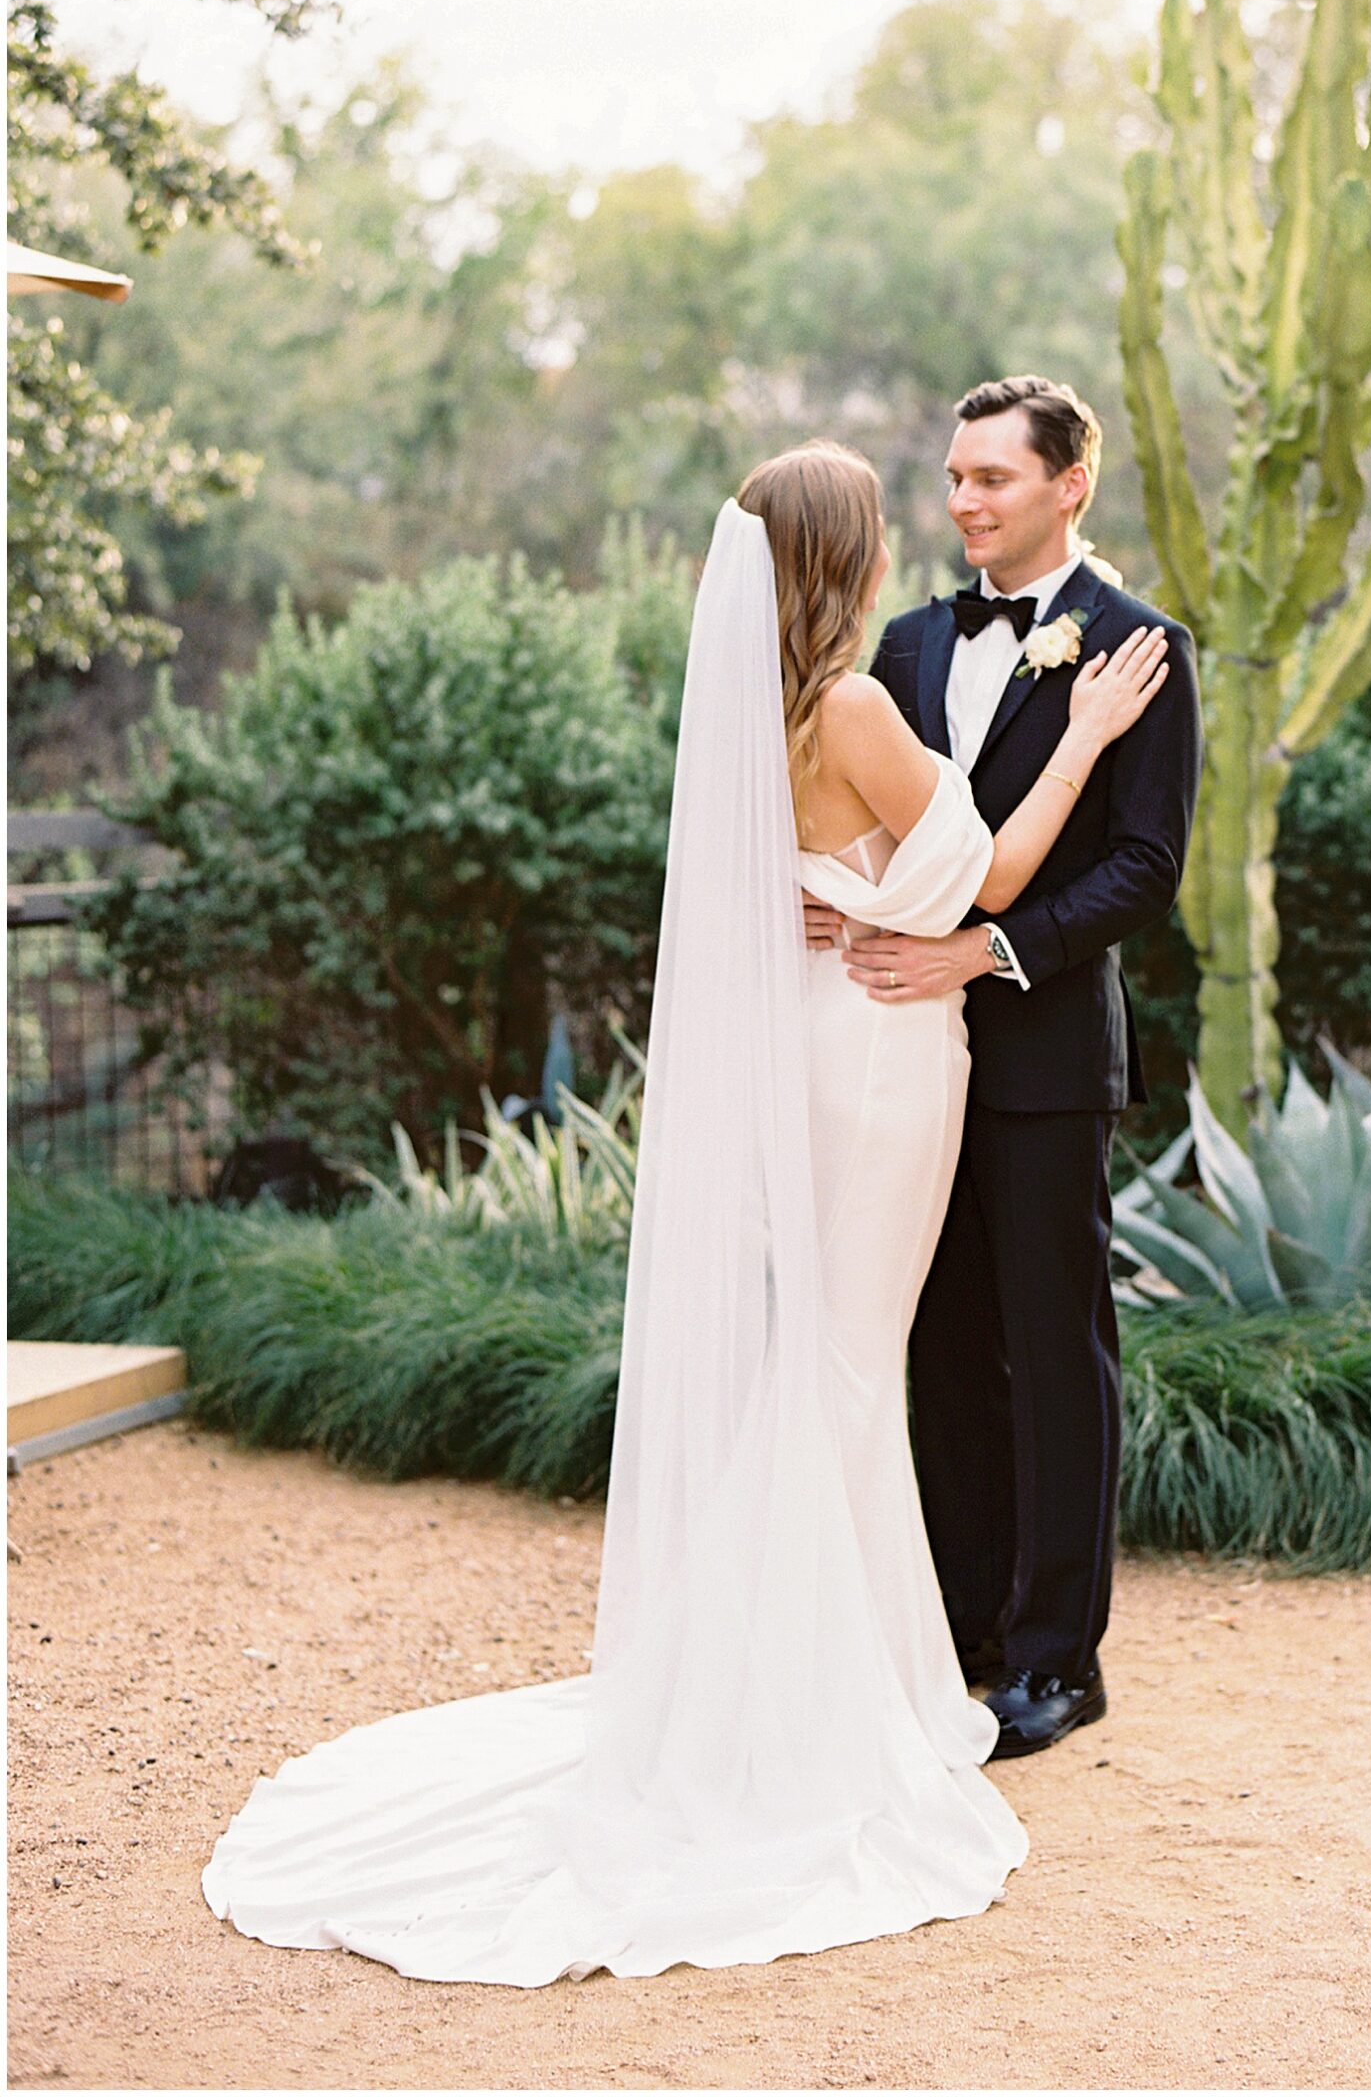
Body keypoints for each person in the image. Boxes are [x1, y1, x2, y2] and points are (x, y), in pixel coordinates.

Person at [200, 440, 1169, 1985]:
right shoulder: (855, 702)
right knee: (850, 1368)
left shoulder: (760, 717)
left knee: (834, 1363)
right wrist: (1080, 739)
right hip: (877, 1061)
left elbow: (828, 883)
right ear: (843, 560)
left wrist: (857, 900)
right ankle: (812, 1704)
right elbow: (984, 873)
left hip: (824, 1044)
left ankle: (794, 1674)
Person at [804, 377, 1203, 1757]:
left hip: (1040, 1062)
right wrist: (841, 906)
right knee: (942, 1351)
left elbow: (1146, 869)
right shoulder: (910, 645)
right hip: (898, 1061)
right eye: (958, 477)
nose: (965, 500)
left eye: (995, 478)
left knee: (1055, 1352)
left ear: (1070, 484)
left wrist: (986, 958)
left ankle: (1056, 1660)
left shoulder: (1142, 648)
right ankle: (958, 1636)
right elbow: (891, 841)